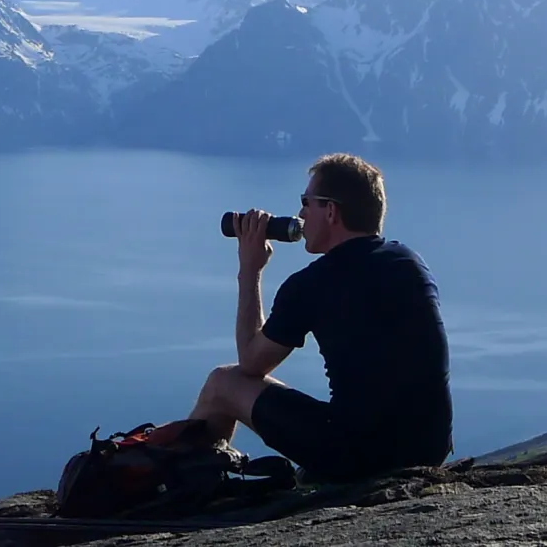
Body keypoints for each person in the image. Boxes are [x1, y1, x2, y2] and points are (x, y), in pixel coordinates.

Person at [185, 152, 453, 482]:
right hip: (428, 449)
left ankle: (180, 487)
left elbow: (251, 363)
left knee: (222, 384)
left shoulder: (312, 283)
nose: (299, 214)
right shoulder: (410, 262)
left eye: (306, 202)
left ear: (330, 212)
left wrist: (249, 269)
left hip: (364, 456)